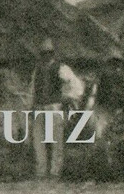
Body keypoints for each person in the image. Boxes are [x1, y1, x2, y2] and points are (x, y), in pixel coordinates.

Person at [28, 38, 84, 180]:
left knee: (56, 140)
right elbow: (32, 90)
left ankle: (55, 172)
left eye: (49, 53)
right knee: (38, 140)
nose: (46, 56)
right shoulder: (38, 70)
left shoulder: (61, 68)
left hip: (54, 107)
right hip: (39, 107)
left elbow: (77, 86)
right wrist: (31, 106)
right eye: (44, 53)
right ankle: (41, 171)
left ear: (53, 54)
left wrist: (67, 97)